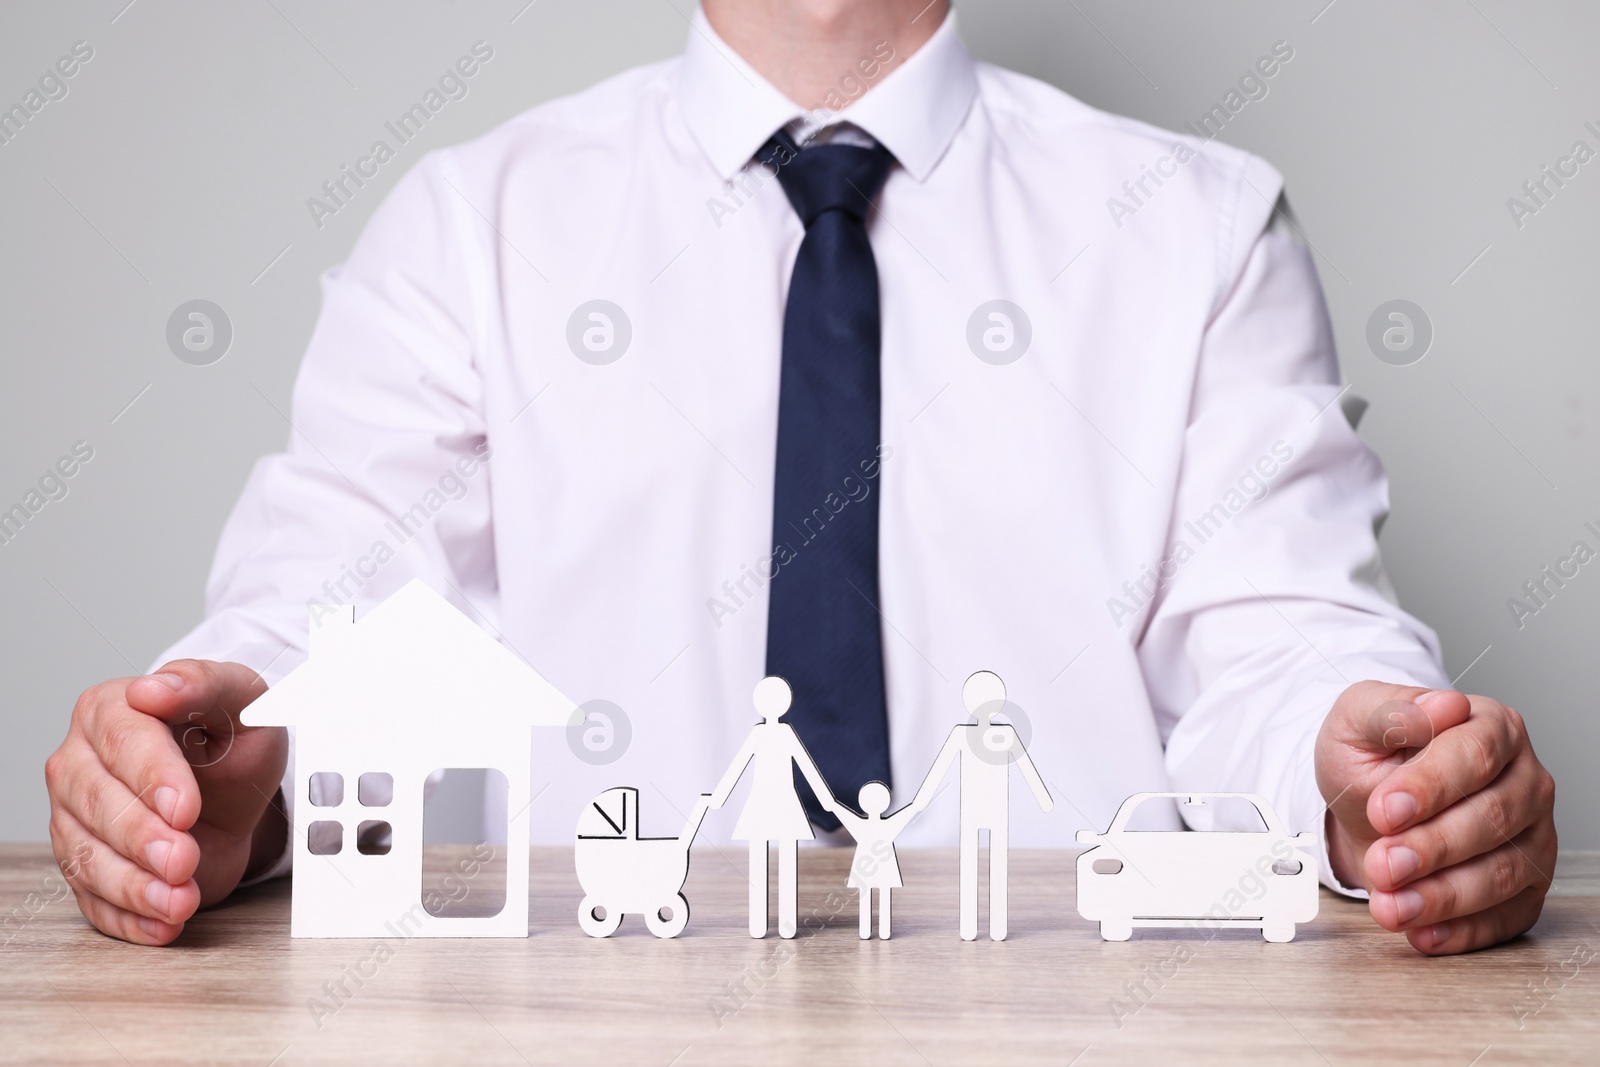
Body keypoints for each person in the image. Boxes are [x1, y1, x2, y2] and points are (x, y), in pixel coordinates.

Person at [44, 0, 1556, 955]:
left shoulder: (1203, 227)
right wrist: (236, 763)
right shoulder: (468, 231)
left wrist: (1378, 787)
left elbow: (1282, 647)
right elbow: (337, 616)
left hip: (1082, 1019)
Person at [911, 671, 1053, 941]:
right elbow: (940, 767)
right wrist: (922, 799)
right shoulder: (962, 735)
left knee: (996, 863)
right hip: (975, 808)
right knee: (973, 863)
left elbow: (1026, 768)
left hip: (996, 807)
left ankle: (997, 926)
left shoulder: (1006, 735)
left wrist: (1043, 798)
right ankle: (970, 926)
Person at [707, 676, 839, 938]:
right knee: (760, 860)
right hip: (763, 802)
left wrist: (826, 798)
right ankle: (760, 922)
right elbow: (739, 765)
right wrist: (719, 796)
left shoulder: (784, 733)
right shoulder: (760, 733)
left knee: (785, 860)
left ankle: (786, 924)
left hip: (783, 802)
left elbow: (805, 765)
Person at [834, 781, 919, 940]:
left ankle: (873, 931)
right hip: (876, 866)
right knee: (873, 895)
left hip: (870, 866)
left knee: (873, 895)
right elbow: (916, 806)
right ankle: (872, 930)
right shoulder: (886, 824)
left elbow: (833, 805)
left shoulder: (862, 824)